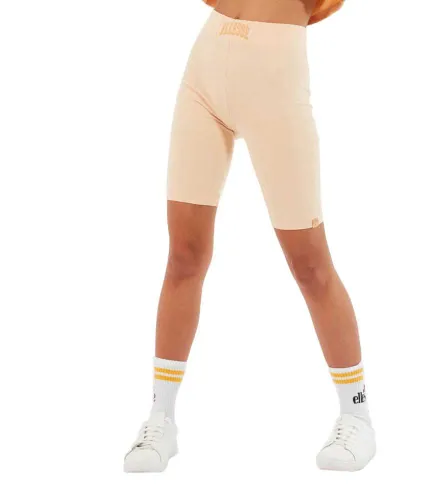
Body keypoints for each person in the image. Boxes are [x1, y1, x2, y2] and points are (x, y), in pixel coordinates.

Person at [124, 0, 376, 473]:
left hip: (274, 74)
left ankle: (356, 415)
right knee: (184, 255)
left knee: (310, 263)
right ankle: (161, 417)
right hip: (207, 62)